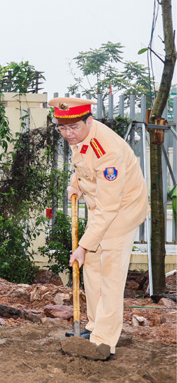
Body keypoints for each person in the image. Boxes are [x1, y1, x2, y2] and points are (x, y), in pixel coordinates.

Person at [50, 97, 148, 360]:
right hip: (102, 208)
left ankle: (105, 341)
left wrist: (82, 246)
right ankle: (93, 326)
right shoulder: (81, 138)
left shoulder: (107, 151)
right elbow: (83, 165)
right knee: (91, 266)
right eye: (62, 128)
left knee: (110, 275)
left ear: (89, 121)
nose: (68, 134)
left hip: (121, 211)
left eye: (74, 128)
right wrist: (76, 184)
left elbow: (109, 207)